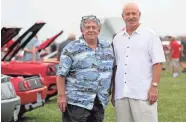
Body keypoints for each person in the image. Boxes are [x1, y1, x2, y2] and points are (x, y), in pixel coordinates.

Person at [111, 2, 165, 122]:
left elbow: (157, 63)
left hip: (143, 94)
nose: (131, 16)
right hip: (121, 94)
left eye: (134, 13)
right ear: (122, 16)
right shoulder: (117, 39)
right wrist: (114, 92)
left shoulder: (150, 35)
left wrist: (154, 87)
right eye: (127, 14)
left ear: (139, 15)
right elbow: (116, 66)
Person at [56, 15, 114, 122]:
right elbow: (61, 75)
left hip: (99, 100)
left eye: (93, 27)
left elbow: (112, 71)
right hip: (76, 102)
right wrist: (61, 96)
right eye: (87, 27)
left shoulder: (107, 47)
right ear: (82, 30)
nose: (91, 30)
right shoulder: (71, 48)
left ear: (99, 30)